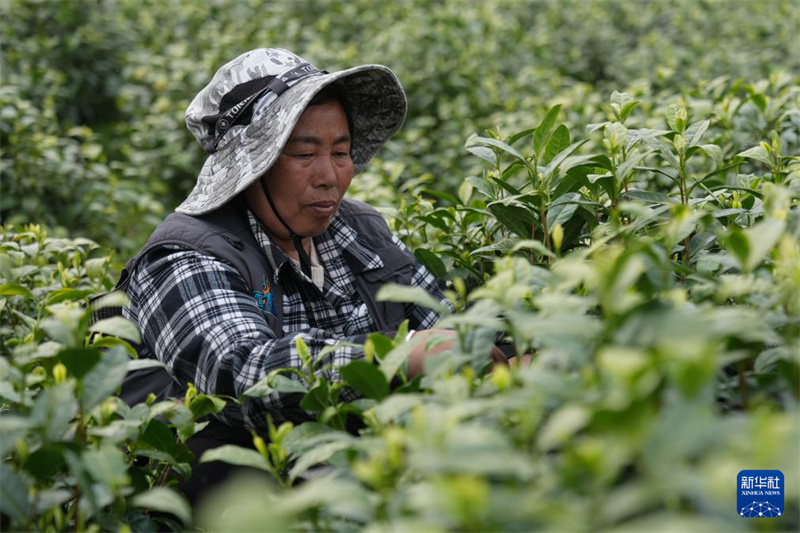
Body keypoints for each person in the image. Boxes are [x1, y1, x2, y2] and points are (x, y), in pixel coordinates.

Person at [113, 47, 506, 505]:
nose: (331, 176)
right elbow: (241, 371)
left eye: (341, 152)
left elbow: (440, 317)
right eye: (304, 154)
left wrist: (498, 346)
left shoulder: (357, 229)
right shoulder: (184, 256)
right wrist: (388, 358)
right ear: (250, 168)